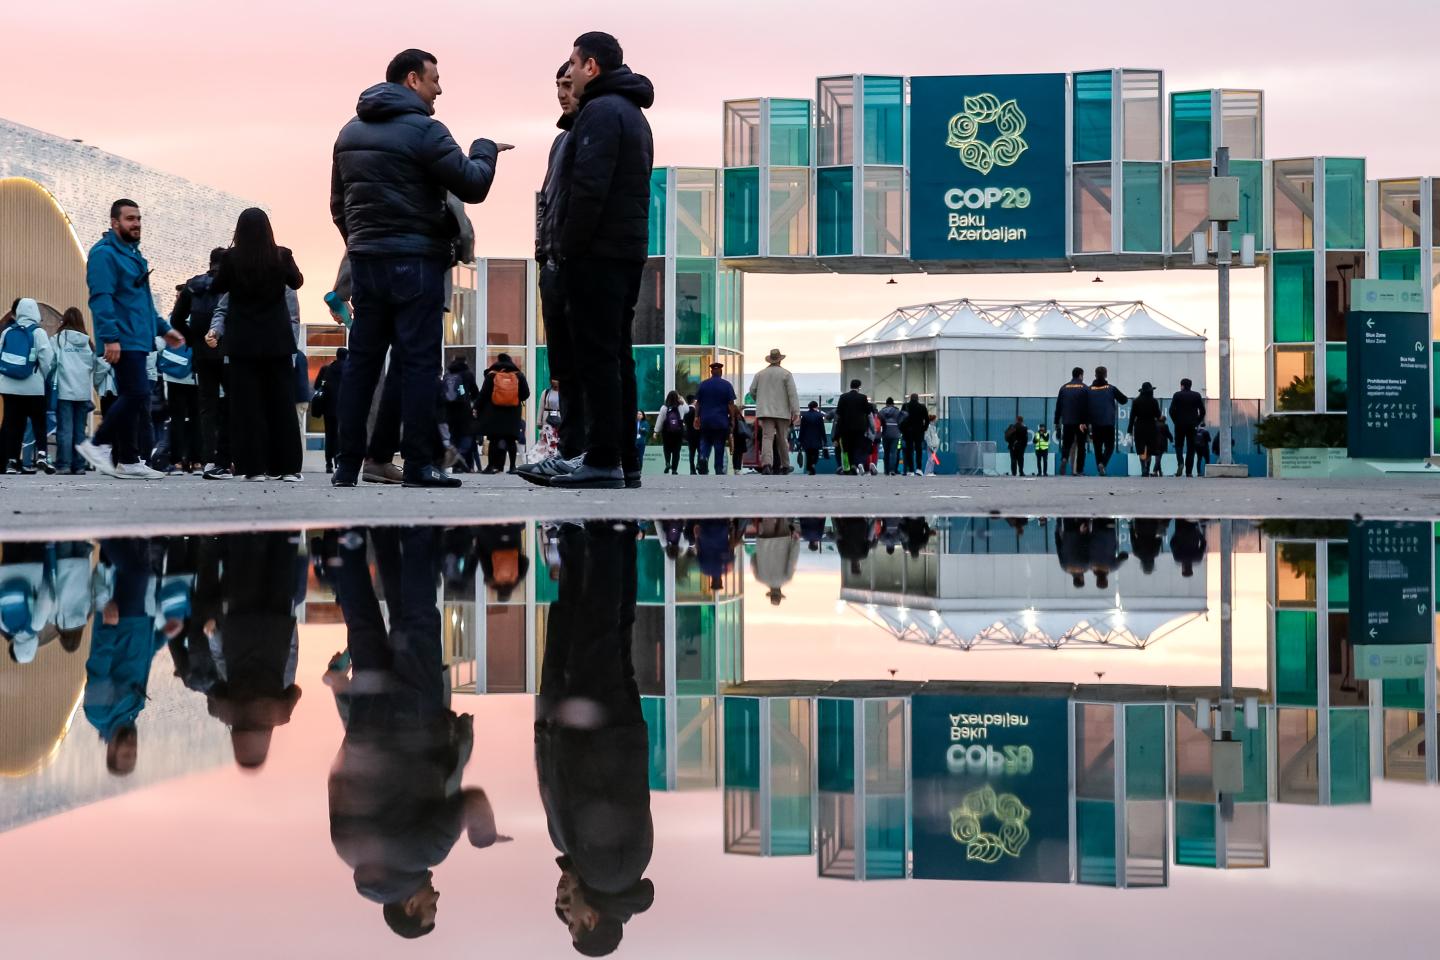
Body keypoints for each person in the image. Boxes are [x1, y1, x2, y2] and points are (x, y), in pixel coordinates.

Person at [330, 48, 505, 489]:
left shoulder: (349, 133)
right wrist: (484, 149)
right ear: (412, 79)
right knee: (419, 364)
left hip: (369, 263)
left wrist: (362, 242)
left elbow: (338, 205)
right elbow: (473, 184)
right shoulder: (426, 132)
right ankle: (420, 465)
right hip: (417, 264)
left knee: (362, 365)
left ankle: (347, 466)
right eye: (434, 79)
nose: (439, 89)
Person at [328, 526, 506, 940]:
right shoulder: (348, 852)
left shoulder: (425, 853)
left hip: (416, 721)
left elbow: (472, 801)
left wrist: (484, 835)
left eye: (430, 909)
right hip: (367, 724)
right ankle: (349, 540)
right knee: (364, 625)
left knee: (420, 620)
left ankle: (418, 535)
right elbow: (338, 781)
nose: (436, 898)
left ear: (409, 905)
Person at [544, 33, 655, 491]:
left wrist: (568, 250)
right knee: (617, 356)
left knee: (597, 359)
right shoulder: (631, 113)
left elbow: (588, 190)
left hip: (597, 253)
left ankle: (603, 459)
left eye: (573, 62)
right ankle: (622, 460)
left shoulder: (601, 112)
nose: (567, 71)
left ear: (592, 65)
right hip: (624, 249)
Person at [538, 522, 654, 956]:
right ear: (591, 920)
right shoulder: (607, 873)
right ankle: (607, 536)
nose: (565, 910)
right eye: (572, 920)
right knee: (600, 628)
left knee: (613, 629)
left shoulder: (611, 870)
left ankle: (615, 540)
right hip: (597, 731)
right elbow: (585, 795)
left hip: (612, 731)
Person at [78, 201, 185, 480]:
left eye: (138, 218)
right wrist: (110, 338)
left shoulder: (133, 255)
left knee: (134, 397)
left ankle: (128, 460)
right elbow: (101, 298)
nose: (136, 223)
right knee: (137, 394)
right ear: (115, 223)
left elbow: (143, 303)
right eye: (129, 219)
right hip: (122, 339)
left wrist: (164, 329)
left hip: (138, 338)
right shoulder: (104, 254)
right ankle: (98, 444)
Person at [518, 64, 583, 487]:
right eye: (557, 86)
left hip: (576, 262)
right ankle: (567, 449)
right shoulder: (560, 141)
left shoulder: (586, 134)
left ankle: (578, 451)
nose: (561, 93)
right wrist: (543, 253)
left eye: (567, 84)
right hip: (554, 262)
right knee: (564, 364)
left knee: (584, 361)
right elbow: (548, 201)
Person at [204, 208, 304, 481]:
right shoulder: (282, 255)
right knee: (281, 405)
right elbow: (297, 281)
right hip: (277, 341)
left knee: (247, 408)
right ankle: (287, 468)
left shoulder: (231, 259)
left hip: (243, 343)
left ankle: (252, 467)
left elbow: (217, 287)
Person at [204, 533, 303, 768]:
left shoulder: (281, 711)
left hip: (276, 626)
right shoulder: (226, 710)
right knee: (244, 563)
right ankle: (247, 522)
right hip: (240, 625)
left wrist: (290, 624)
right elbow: (216, 679)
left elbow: (294, 680)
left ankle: (288, 526)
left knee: (281, 565)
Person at [84, 538, 163, 775]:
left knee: (135, 572)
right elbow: (140, 662)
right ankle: (121, 528)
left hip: (119, 626)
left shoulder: (99, 714)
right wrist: (163, 637)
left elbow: (98, 669)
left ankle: (104, 532)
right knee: (139, 566)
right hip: (138, 625)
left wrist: (108, 627)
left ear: (110, 751)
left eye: (126, 753)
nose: (132, 747)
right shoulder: (133, 711)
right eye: (135, 754)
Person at [170, 248, 231, 478]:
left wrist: (193, 339)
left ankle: (207, 460)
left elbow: (176, 319)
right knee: (232, 405)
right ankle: (228, 458)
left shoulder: (192, 286)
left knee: (206, 408)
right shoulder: (230, 285)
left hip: (202, 354)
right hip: (226, 352)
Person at [0, 298, 56, 474]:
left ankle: (11, 462)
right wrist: (43, 376)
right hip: (33, 387)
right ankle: (41, 455)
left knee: (12, 424)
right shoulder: (38, 332)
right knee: (39, 421)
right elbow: (47, 359)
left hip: (8, 386)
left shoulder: (7, 331)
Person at [52, 309, 99, 476]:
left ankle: (63, 465)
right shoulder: (88, 343)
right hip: (83, 393)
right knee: (80, 430)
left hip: (64, 391)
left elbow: (50, 362)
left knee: (65, 429)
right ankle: (79, 465)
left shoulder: (58, 340)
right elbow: (95, 365)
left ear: (64, 320)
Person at [476, 352, 529, 474]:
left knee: (494, 440)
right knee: (511, 440)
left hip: (494, 412)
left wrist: (476, 408)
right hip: (513, 413)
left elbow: (483, 394)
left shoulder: (492, 375)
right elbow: (526, 394)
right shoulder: (518, 375)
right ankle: (512, 467)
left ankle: (490, 466)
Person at [749, 348, 799, 476]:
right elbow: (792, 394)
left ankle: (766, 464)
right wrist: (796, 412)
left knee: (767, 438)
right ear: (780, 360)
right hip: (782, 412)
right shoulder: (786, 374)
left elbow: (752, 391)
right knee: (782, 438)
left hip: (765, 412)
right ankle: (785, 465)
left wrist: (760, 400)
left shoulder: (760, 374)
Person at [693, 361, 736, 475]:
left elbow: (698, 403)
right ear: (721, 372)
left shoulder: (703, 384)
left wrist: (696, 417)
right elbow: (731, 404)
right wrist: (732, 419)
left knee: (705, 441)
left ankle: (703, 458)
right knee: (719, 444)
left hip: (706, 420)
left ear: (711, 372)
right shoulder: (727, 385)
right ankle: (718, 467)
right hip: (721, 421)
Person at [1086, 366, 1128, 477]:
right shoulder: (1111, 388)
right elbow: (1124, 400)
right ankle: (1103, 463)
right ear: (1105, 375)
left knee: (1097, 447)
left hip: (1095, 423)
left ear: (1095, 375)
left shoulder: (1089, 390)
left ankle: (1100, 466)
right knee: (1110, 446)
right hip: (1108, 423)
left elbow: (1084, 406)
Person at [442, 356, 481, 471]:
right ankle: (460, 458)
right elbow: (475, 393)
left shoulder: (447, 374)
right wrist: (474, 405)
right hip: (464, 411)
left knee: (453, 437)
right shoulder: (468, 374)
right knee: (467, 437)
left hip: (448, 412)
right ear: (465, 361)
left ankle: (456, 465)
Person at [311, 348, 346, 472]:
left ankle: (328, 464)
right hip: (342, 408)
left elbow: (317, 386)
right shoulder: (348, 370)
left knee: (329, 435)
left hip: (328, 408)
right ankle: (338, 461)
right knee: (340, 434)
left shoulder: (327, 369)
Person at [751, 518, 798, 605]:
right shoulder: (760, 578)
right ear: (770, 593)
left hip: (782, 541)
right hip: (764, 542)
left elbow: (792, 560)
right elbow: (753, 560)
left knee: (782, 519)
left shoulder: (787, 578)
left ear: (780, 593)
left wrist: (796, 543)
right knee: (768, 518)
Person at [1053, 366, 1089, 477]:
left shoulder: (1063, 388)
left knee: (1067, 444)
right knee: (1081, 446)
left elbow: (1058, 407)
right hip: (1080, 423)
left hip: (1067, 421)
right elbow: (1087, 407)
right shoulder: (1084, 388)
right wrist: (1086, 421)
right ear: (1080, 375)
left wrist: (1057, 423)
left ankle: (1064, 458)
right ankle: (1079, 470)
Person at [832, 379, 872, 475]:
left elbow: (838, 412)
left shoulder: (843, 397)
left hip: (845, 427)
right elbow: (867, 411)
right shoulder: (863, 397)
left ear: (850, 386)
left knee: (846, 448)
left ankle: (846, 468)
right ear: (859, 387)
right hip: (859, 427)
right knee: (857, 446)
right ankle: (856, 464)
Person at [1169, 377, 1205, 478]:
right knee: (1191, 448)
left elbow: (1171, 410)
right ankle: (1189, 471)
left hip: (1179, 424)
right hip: (1192, 425)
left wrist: (1176, 421)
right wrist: (1197, 422)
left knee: (1179, 445)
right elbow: (1203, 411)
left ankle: (1180, 462)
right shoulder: (1196, 395)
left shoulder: (1177, 395)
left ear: (1182, 385)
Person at [1129, 382, 1162, 477]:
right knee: (1150, 448)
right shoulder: (1154, 401)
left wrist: (1129, 429)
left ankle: (1143, 467)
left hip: (1139, 426)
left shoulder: (1136, 401)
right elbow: (1158, 415)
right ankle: (1147, 467)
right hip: (1151, 426)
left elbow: (1132, 417)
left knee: (1141, 448)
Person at [654, 390, 686, 474]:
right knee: (676, 450)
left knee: (667, 448)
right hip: (678, 432)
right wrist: (682, 400)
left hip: (667, 432)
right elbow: (687, 410)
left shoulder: (664, 407)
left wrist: (656, 431)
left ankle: (668, 463)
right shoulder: (681, 406)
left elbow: (660, 420)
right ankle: (674, 469)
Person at [899, 393, 928, 476]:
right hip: (919, 431)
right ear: (917, 398)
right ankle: (919, 468)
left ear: (910, 398)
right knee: (919, 450)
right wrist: (924, 429)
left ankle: (911, 470)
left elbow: (901, 419)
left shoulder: (905, 406)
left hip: (907, 431)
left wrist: (902, 430)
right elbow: (927, 419)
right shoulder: (922, 407)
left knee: (909, 450)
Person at [797, 401, 826, 475]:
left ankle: (810, 468)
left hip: (806, 439)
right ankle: (813, 465)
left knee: (808, 454)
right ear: (816, 406)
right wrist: (824, 439)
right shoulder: (819, 416)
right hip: (817, 438)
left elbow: (802, 429)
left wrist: (799, 440)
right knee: (816, 454)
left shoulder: (804, 416)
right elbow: (822, 429)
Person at [877, 397, 904, 475]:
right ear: (893, 403)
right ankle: (892, 470)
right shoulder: (897, 411)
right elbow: (901, 421)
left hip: (885, 434)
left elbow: (879, 421)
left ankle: (886, 470)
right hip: (895, 434)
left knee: (886, 453)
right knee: (893, 452)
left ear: (886, 403)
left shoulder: (882, 411)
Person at [682, 394, 700, 475]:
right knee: (700, 451)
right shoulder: (696, 411)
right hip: (698, 434)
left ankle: (692, 470)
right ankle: (699, 464)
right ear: (693, 401)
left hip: (689, 435)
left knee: (691, 453)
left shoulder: (685, 411)